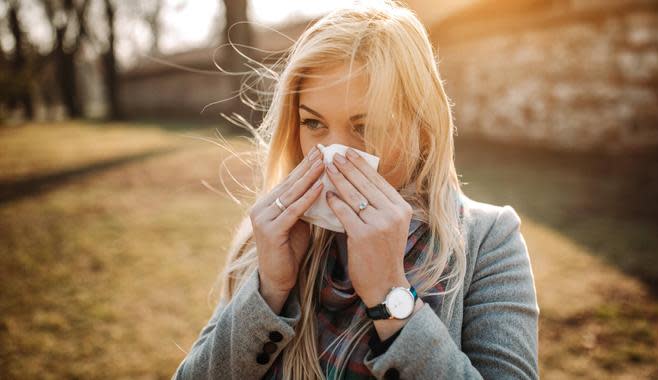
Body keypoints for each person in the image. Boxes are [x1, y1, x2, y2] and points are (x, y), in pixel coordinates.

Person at [172, 1, 539, 379]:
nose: (332, 156)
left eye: (364, 127)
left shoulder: (488, 242)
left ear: (423, 130)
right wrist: (269, 291)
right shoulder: (269, 236)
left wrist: (389, 294)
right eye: (313, 123)